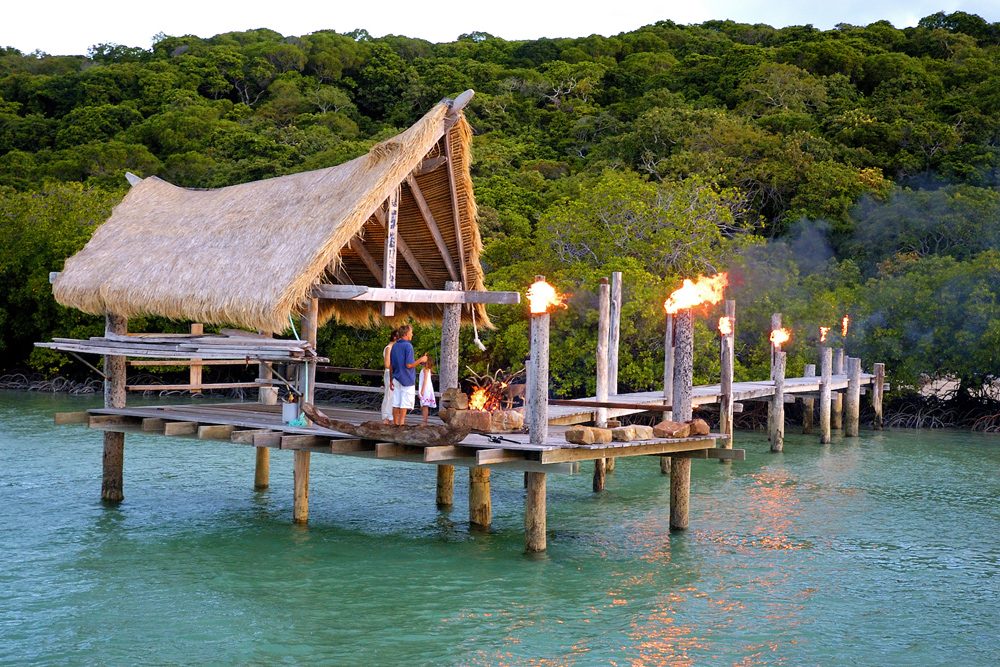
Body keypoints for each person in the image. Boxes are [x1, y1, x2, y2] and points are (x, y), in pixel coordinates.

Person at [388, 325, 427, 426]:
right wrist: (421, 360)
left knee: (396, 402)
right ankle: (401, 424)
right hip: (407, 379)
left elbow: (391, 365)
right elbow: (409, 365)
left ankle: (395, 424)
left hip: (396, 377)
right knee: (404, 403)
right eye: (411, 332)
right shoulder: (408, 346)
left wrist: (391, 380)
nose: (412, 334)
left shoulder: (395, 345)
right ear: (406, 334)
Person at [380, 329, 399, 424]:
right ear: (395, 337)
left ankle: (391, 416)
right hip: (389, 373)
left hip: (395, 373)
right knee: (389, 394)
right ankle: (386, 416)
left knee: (394, 395)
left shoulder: (395, 348)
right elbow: (387, 364)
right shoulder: (389, 348)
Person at [417, 355, 437, 425]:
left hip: (425, 389)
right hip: (426, 388)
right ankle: (424, 420)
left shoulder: (425, 370)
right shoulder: (427, 370)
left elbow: (425, 381)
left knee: (425, 406)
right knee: (424, 406)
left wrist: (422, 391)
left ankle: (424, 421)